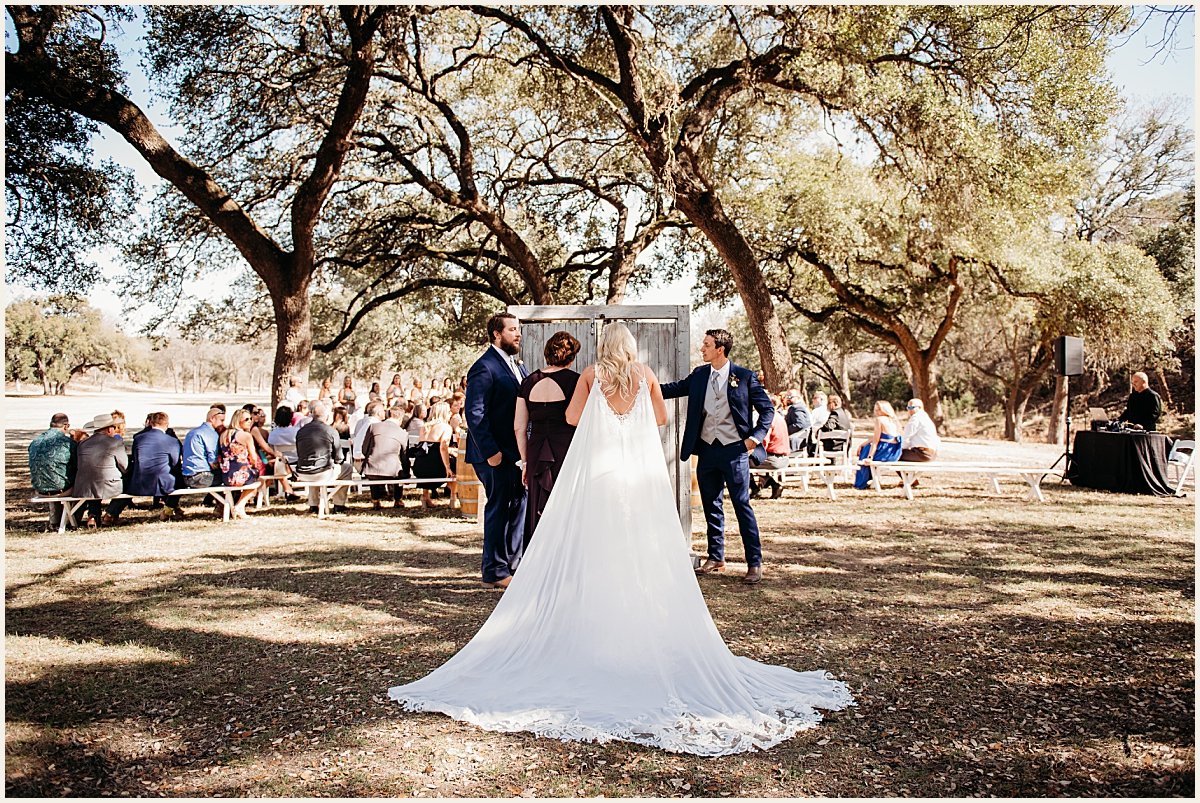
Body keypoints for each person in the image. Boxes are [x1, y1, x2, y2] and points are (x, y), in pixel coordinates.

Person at [389, 322, 853, 755]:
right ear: (631, 348)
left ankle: (597, 619)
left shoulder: (592, 375)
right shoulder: (645, 374)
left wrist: (601, 414)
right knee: (642, 547)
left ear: (602, 347)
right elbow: (658, 420)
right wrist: (629, 414)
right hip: (638, 476)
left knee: (598, 545)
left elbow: (572, 419)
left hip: (603, 473)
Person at [661, 328, 773, 585]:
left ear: (720, 349)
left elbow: (767, 410)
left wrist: (753, 439)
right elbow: (674, 388)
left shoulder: (744, 377)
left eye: (706, 345)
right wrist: (641, 385)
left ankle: (754, 563)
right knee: (711, 505)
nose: (702, 349)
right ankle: (716, 557)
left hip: (735, 450)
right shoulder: (700, 374)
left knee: (741, 505)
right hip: (707, 449)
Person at [464, 311, 528, 589]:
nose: (518, 334)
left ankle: (513, 564)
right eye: (512, 329)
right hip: (493, 454)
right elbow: (474, 412)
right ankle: (494, 570)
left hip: (516, 454)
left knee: (520, 504)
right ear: (496, 334)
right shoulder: (484, 367)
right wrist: (491, 452)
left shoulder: (517, 366)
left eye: (518, 329)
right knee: (499, 509)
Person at [515, 330, 581, 543]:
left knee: (537, 507)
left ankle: (537, 563)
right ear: (571, 357)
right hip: (566, 450)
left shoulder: (528, 381)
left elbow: (519, 427)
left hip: (535, 452)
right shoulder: (575, 382)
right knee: (565, 505)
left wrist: (525, 462)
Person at [107, 412, 184, 522]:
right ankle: (168, 510)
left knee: (126, 484)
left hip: (139, 481)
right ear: (167, 424)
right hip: (163, 483)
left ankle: (110, 513)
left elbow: (135, 457)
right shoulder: (172, 441)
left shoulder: (139, 438)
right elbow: (175, 462)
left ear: (150, 423)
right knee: (180, 479)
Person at [294, 399, 353, 514]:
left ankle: (313, 505)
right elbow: (339, 458)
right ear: (326, 416)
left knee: (313, 466)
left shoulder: (301, 431)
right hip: (323, 472)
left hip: (303, 473)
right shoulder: (330, 431)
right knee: (347, 468)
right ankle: (339, 504)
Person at [73, 413, 129, 527]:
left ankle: (93, 516)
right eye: (114, 427)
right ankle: (110, 514)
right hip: (108, 485)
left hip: (84, 486)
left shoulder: (82, 444)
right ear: (109, 429)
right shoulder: (115, 443)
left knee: (93, 479)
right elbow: (125, 467)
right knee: (130, 483)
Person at [28, 413, 78, 531]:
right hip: (61, 490)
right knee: (81, 483)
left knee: (53, 476)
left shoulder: (35, 442)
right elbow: (79, 465)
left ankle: (55, 521)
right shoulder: (67, 443)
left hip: (40, 488)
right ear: (66, 426)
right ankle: (73, 521)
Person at [362, 403, 409, 509]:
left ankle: (375, 500)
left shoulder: (373, 427)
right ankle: (398, 499)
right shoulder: (402, 433)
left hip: (371, 470)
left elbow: (364, 449)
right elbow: (404, 456)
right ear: (400, 418)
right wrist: (406, 473)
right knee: (399, 467)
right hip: (392, 472)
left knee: (373, 463)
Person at [217, 409, 263, 518]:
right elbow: (253, 457)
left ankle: (239, 507)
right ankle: (239, 506)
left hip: (226, 474)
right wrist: (254, 466)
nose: (250, 421)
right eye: (246, 419)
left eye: (251, 419)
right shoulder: (246, 436)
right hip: (240, 473)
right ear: (238, 421)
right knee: (258, 481)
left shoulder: (224, 434)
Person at [413, 402, 455, 508]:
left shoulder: (424, 426)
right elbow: (443, 448)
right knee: (456, 465)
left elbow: (427, 448)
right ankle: (453, 497)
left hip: (420, 468)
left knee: (428, 459)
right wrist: (448, 467)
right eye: (449, 411)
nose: (450, 413)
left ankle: (425, 496)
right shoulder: (446, 427)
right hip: (436, 469)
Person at [750, 393, 792, 499]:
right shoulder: (778, 416)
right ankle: (772, 485)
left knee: (740, 461)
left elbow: (764, 441)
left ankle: (755, 488)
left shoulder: (769, 418)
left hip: (773, 458)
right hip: (783, 457)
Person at [853, 401, 903, 489]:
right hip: (894, 453)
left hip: (885, 452)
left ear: (885, 410)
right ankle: (869, 478)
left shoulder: (879, 420)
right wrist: (864, 443)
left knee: (866, 450)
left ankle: (862, 482)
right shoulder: (894, 421)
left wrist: (870, 457)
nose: (876, 411)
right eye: (875, 409)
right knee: (866, 446)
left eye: (879, 409)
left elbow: (876, 441)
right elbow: (882, 437)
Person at [181, 405, 226, 492]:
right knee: (231, 477)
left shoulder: (192, 432)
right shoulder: (211, 434)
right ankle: (224, 503)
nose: (223, 424)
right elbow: (212, 461)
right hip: (201, 477)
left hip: (186, 476)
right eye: (221, 420)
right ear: (212, 418)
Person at [783, 389, 811, 454]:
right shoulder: (799, 407)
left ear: (797, 397)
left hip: (797, 440)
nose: (788, 398)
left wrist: (785, 430)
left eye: (790, 396)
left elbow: (800, 424)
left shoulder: (797, 408)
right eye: (787, 396)